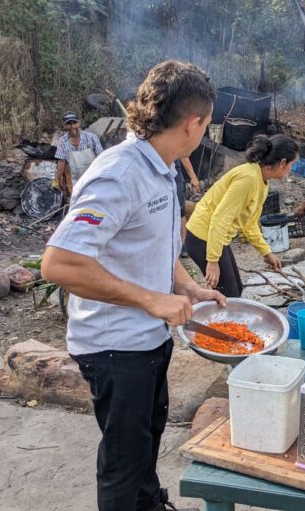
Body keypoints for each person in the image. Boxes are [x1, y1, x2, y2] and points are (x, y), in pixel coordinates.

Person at [42, 60, 225, 511]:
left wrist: (187, 287)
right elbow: (59, 264)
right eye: (207, 123)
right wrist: (149, 299)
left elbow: (152, 245)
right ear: (193, 123)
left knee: (147, 438)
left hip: (147, 341)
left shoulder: (161, 167)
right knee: (123, 462)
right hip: (113, 347)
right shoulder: (119, 173)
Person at [185, 133, 298, 297]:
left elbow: (249, 223)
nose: (291, 170)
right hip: (202, 237)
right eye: (291, 165)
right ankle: (204, 321)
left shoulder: (261, 181)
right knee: (229, 296)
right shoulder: (248, 178)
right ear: (282, 163)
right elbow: (220, 218)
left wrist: (266, 252)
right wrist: (212, 260)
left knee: (236, 290)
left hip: (215, 237)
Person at [54, 111, 105, 196]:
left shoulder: (92, 138)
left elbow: (101, 158)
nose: (73, 126)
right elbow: (61, 162)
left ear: (79, 122)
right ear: (64, 125)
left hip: (92, 177)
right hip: (75, 180)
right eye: (68, 124)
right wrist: (56, 180)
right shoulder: (63, 141)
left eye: (75, 123)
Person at [174, 156, 200, 257]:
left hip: (174, 172)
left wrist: (193, 176)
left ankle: (184, 245)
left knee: (180, 211)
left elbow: (183, 154)